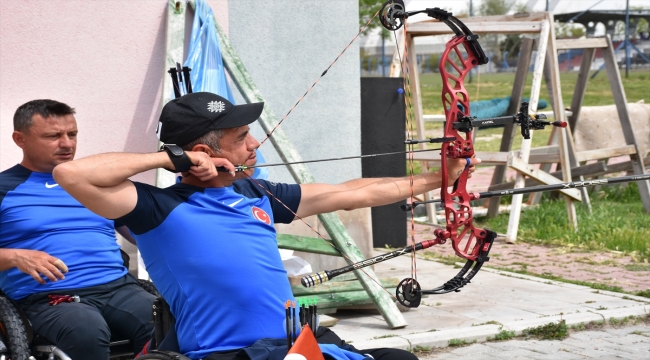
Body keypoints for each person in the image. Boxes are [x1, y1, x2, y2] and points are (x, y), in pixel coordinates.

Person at [53, 92, 480, 360]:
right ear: (204, 151)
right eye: (242, 137)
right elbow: (71, 175)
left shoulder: (257, 195)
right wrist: (171, 159)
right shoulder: (155, 207)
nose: (254, 144)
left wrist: (442, 178)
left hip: (295, 346)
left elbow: (354, 192)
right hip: (227, 354)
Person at [0, 99, 156, 360]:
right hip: (49, 297)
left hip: (120, 288)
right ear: (20, 139)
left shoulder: (95, 183)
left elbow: (145, 234)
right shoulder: (4, 188)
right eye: (53, 136)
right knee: (86, 331)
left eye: (72, 134)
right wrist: (17, 256)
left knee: (170, 321)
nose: (67, 144)